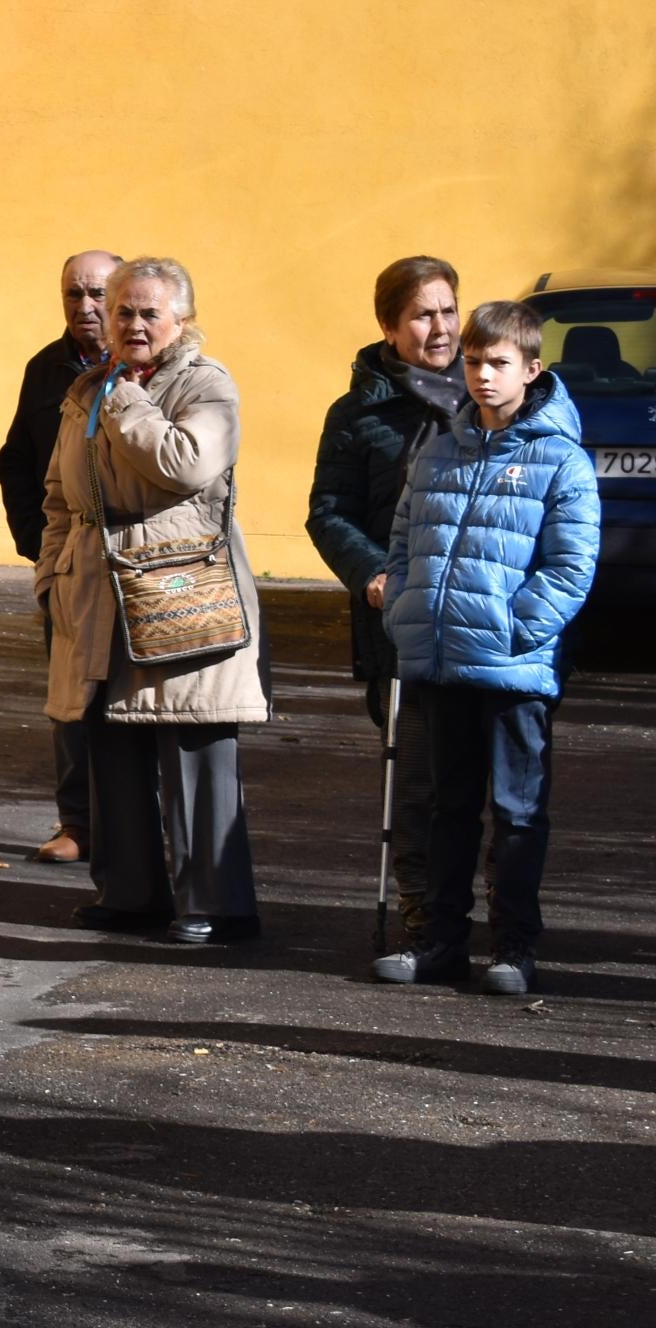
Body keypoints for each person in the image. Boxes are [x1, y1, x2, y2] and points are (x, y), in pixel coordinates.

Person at [37, 258, 266, 947]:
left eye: (148, 313)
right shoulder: (87, 390)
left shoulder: (206, 382)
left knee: (192, 744)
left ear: (182, 321)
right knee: (110, 747)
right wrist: (51, 573)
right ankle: (131, 892)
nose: (133, 324)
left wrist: (129, 402)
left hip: (179, 591)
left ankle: (215, 903)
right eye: (122, 311)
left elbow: (184, 463)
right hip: (96, 595)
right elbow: (59, 494)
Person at [377, 299, 599, 994]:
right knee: (446, 807)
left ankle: (513, 948)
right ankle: (439, 941)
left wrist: (512, 632)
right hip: (440, 663)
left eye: (499, 363)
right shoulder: (440, 448)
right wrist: (410, 612)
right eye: (473, 362)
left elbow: (570, 567)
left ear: (532, 369)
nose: (482, 376)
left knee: (517, 813)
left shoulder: (561, 460)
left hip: (511, 669)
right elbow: (404, 541)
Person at [306, 256, 464, 965]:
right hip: (397, 625)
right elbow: (329, 513)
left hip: (477, 622)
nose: (440, 328)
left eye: (448, 311)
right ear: (390, 327)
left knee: (492, 784)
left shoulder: (488, 395)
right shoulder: (359, 413)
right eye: (423, 315)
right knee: (419, 780)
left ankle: (485, 919)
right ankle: (425, 918)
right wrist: (370, 572)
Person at [0, 251, 121, 864]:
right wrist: (35, 545)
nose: (85, 307)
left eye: (97, 293)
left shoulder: (152, 369)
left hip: (135, 564)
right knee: (70, 699)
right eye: (73, 294)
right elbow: (16, 460)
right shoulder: (47, 369)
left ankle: (137, 823)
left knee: (133, 699)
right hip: (69, 561)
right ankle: (79, 823)